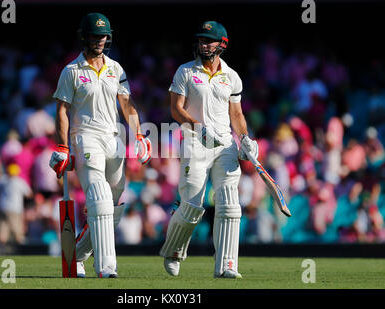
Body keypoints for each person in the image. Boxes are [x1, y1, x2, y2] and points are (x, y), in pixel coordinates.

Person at [49, 13, 151, 278]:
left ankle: (79, 255)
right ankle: (106, 267)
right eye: (94, 36)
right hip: (85, 137)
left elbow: (127, 105)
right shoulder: (71, 71)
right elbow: (62, 110)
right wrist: (63, 146)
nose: (98, 40)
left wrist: (138, 135)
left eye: (102, 36)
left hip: (113, 137)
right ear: (84, 37)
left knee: (114, 200)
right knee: (100, 196)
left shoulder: (116, 69)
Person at [159, 21, 259, 278]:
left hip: (225, 144)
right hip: (195, 142)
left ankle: (226, 265)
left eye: (209, 41)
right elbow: (175, 108)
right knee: (192, 203)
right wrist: (197, 126)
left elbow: (235, 113)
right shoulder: (185, 71)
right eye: (201, 40)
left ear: (222, 44)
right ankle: (173, 251)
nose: (203, 44)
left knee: (229, 203)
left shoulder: (231, 76)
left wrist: (245, 138)